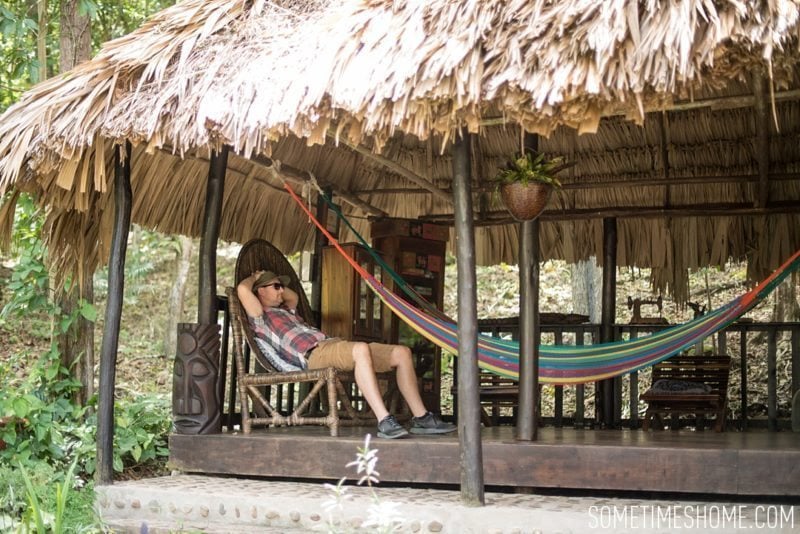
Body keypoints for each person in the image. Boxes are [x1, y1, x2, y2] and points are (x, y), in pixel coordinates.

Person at [237, 269, 457, 439]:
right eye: (275, 286)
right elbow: (243, 290)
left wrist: (273, 280)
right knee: (360, 349)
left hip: (332, 345)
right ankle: (384, 421)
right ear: (260, 291)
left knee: (402, 353)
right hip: (313, 355)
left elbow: (292, 295)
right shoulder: (260, 318)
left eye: (280, 286)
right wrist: (254, 278)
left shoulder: (287, 310)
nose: (281, 291)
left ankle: (421, 418)